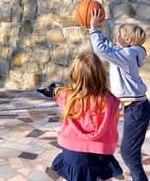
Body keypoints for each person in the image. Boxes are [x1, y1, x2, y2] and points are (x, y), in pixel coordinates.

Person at [90, 9, 150, 181]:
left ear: (128, 40)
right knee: (129, 152)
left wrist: (94, 29)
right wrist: (96, 31)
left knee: (129, 154)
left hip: (137, 110)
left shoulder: (127, 55)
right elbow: (108, 47)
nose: (116, 37)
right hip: (136, 108)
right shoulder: (127, 53)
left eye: (120, 35)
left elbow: (101, 50)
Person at [50, 51, 123, 181]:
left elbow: (57, 91)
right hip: (100, 154)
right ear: (100, 75)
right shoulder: (112, 101)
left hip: (72, 154)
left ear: (74, 74)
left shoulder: (66, 97)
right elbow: (113, 126)